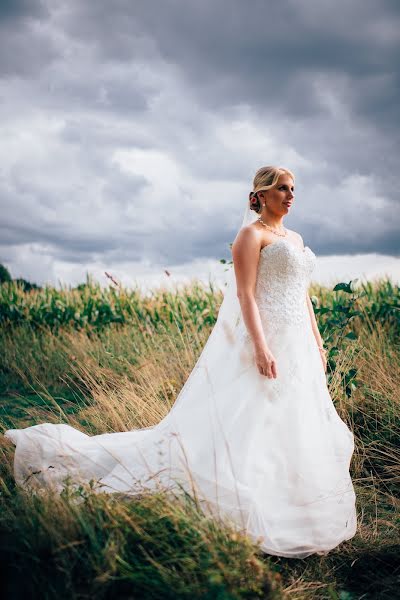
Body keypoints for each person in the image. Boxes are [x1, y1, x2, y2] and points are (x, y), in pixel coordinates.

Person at [4, 165, 357, 559]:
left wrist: (317, 338)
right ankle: (241, 497)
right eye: (281, 189)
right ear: (260, 195)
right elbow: (245, 296)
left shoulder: (295, 237)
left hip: (299, 345)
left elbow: (302, 294)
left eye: (293, 189)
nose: (290, 195)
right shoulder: (250, 235)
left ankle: (295, 500)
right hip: (268, 338)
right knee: (253, 419)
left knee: (295, 419)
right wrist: (260, 346)